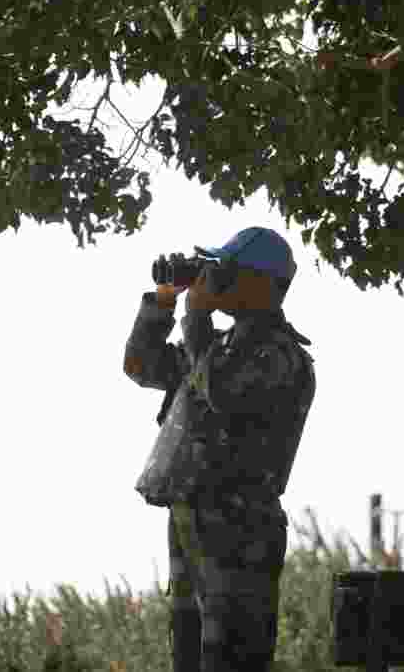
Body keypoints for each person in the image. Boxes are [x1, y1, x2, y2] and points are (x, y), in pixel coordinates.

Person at [122, 226, 317, 671]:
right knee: (190, 654)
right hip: (193, 520)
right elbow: (140, 366)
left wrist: (197, 319)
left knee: (232, 655)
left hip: (240, 530)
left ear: (263, 285)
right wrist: (164, 301)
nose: (215, 279)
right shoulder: (214, 348)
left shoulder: (279, 356)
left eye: (226, 271)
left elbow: (223, 393)